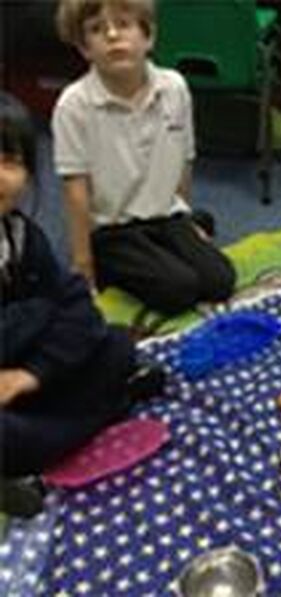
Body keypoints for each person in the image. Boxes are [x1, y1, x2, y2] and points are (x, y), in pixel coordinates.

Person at [0, 93, 164, 518]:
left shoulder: (23, 237)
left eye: (9, 160)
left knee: (115, 347)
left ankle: (71, 427)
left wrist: (32, 373)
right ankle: (99, 413)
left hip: (29, 373)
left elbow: (80, 309)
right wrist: (37, 319)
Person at [52, 0, 235, 314]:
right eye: (96, 30)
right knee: (178, 290)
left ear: (148, 36)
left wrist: (185, 218)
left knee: (220, 280)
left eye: (124, 24)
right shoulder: (74, 105)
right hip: (113, 229)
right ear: (84, 48)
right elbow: (76, 190)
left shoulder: (174, 88)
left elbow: (184, 160)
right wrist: (83, 263)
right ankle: (113, 263)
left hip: (166, 215)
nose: (112, 35)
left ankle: (171, 245)